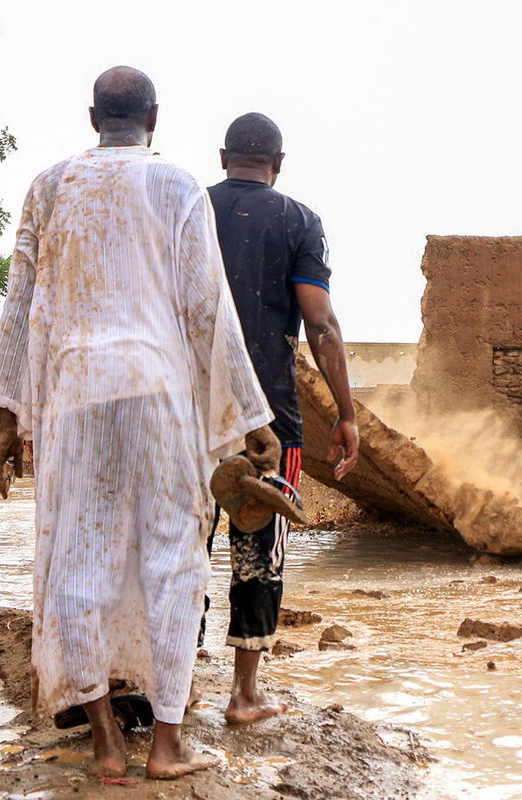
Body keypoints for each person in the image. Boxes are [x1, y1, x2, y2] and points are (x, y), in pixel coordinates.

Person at [0, 67, 276, 781]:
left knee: (78, 566)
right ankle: (168, 746)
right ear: (154, 119)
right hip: (157, 393)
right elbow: (208, 307)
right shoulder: (175, 185)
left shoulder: (49, 187)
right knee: (174, 561)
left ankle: (107, 743)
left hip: (76, 396)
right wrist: (250, 416)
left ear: (92, 119)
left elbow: (20, 309)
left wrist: (6, 425)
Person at [206, 111, 359, 724]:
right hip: (269, 419)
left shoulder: (188, 210)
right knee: (259, 549)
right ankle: (245, 696)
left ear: (223, 158)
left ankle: (173, 689)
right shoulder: (298, 221)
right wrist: (347, 415)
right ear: (278, 164)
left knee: (177, 547)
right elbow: (319, 323)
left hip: (185, 416)